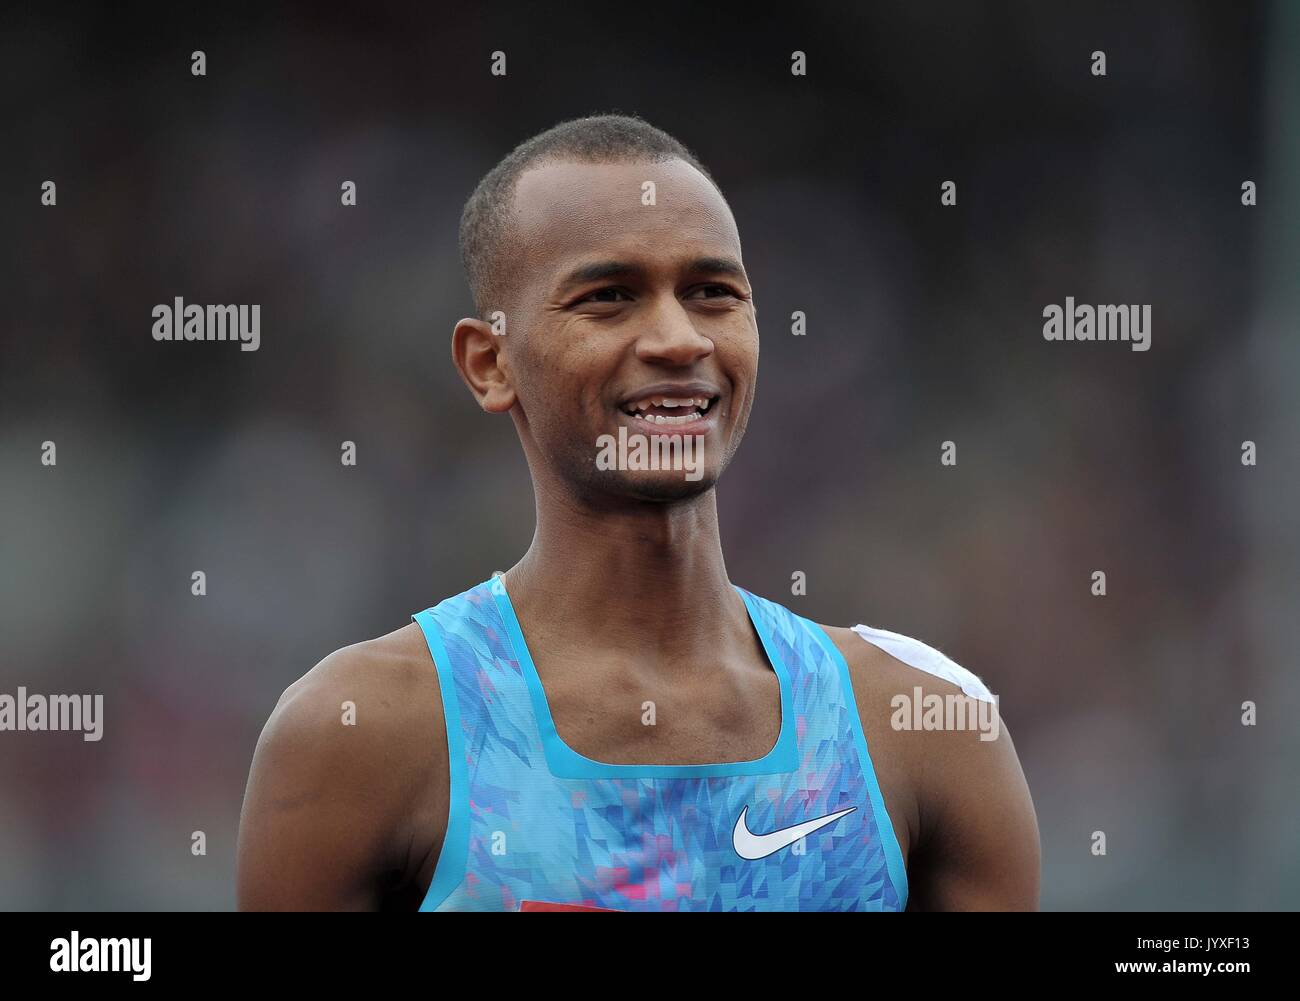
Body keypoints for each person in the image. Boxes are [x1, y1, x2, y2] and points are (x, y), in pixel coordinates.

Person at [237, 114, 1040, 911]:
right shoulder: (362, 732)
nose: (678, 337)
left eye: (712, 293)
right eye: (610, 297)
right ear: (491, 363)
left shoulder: (925, 728)